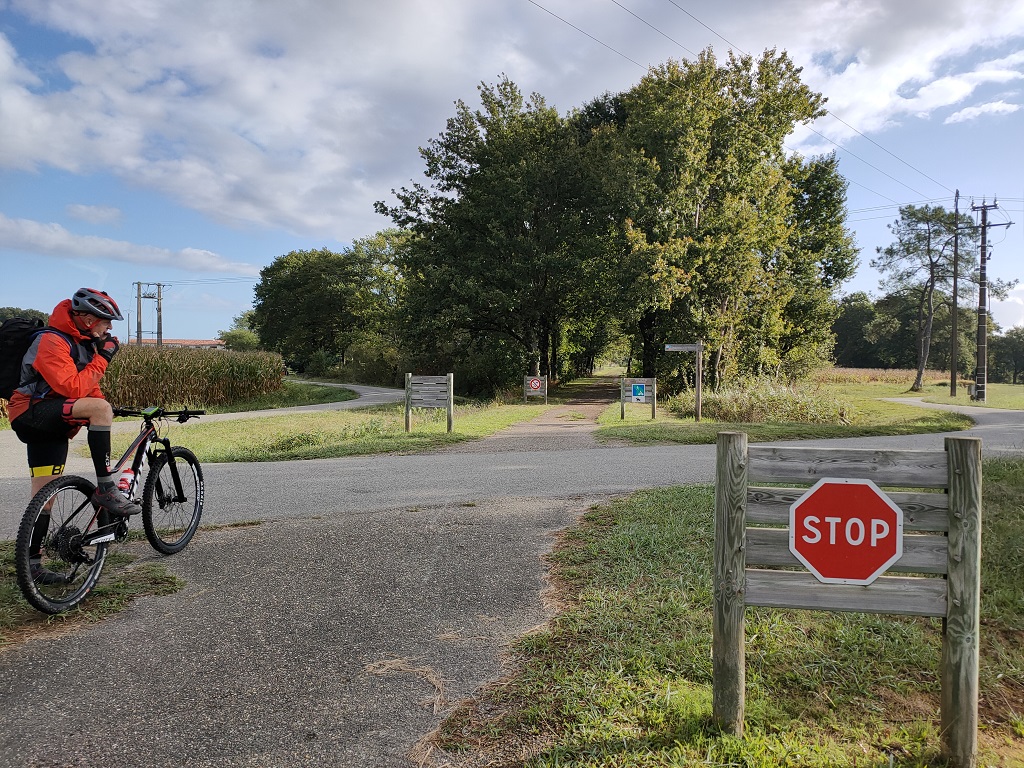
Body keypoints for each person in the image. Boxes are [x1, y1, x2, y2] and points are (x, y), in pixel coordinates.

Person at [8, 288, 141, 520]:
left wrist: (105, 408)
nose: (109, 329)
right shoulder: (51, 341)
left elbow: (89, 388)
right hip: (31, 413)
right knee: (100, 409)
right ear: (89, 320)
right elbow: (72, 388)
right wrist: (104, 358)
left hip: (53, 423)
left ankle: (32, 555)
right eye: (107, 322)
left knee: (43, 497)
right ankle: (106, 489)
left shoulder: (84, 343)